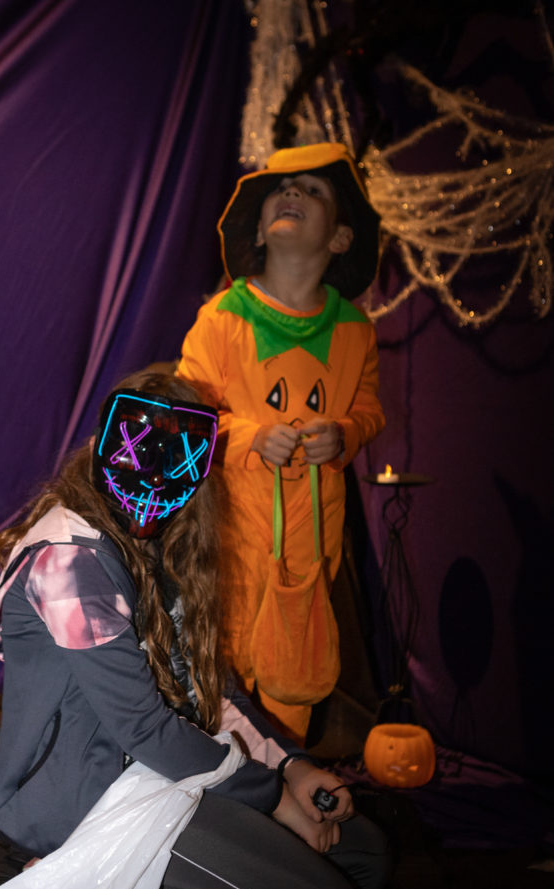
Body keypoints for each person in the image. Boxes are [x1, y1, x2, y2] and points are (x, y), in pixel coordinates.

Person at [0, 371, 388, 889]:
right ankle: (89, 885)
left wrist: (291, 767)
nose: (152, 480)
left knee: (364, 853)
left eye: (175, 460)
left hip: (163, 772)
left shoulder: (159, 546)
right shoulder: (68, 559)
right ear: (102, 447)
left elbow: (207, 688)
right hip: (91, 801)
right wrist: (272, 798)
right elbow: (143, 726)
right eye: (139, 454)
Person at [176, 142, 385, 743]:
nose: (291, 194)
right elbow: (185, 416)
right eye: (281, 189)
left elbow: (368, 411)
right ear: (260, 229)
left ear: (339, 238)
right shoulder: (223, 318)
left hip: (310, 538)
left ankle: (282, 776)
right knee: (223, 657)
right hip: (233, 530)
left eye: (313, 191)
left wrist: (343, 434)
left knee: (295, 665)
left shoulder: (354, 331)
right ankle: (219, 779)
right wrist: (248, 437)